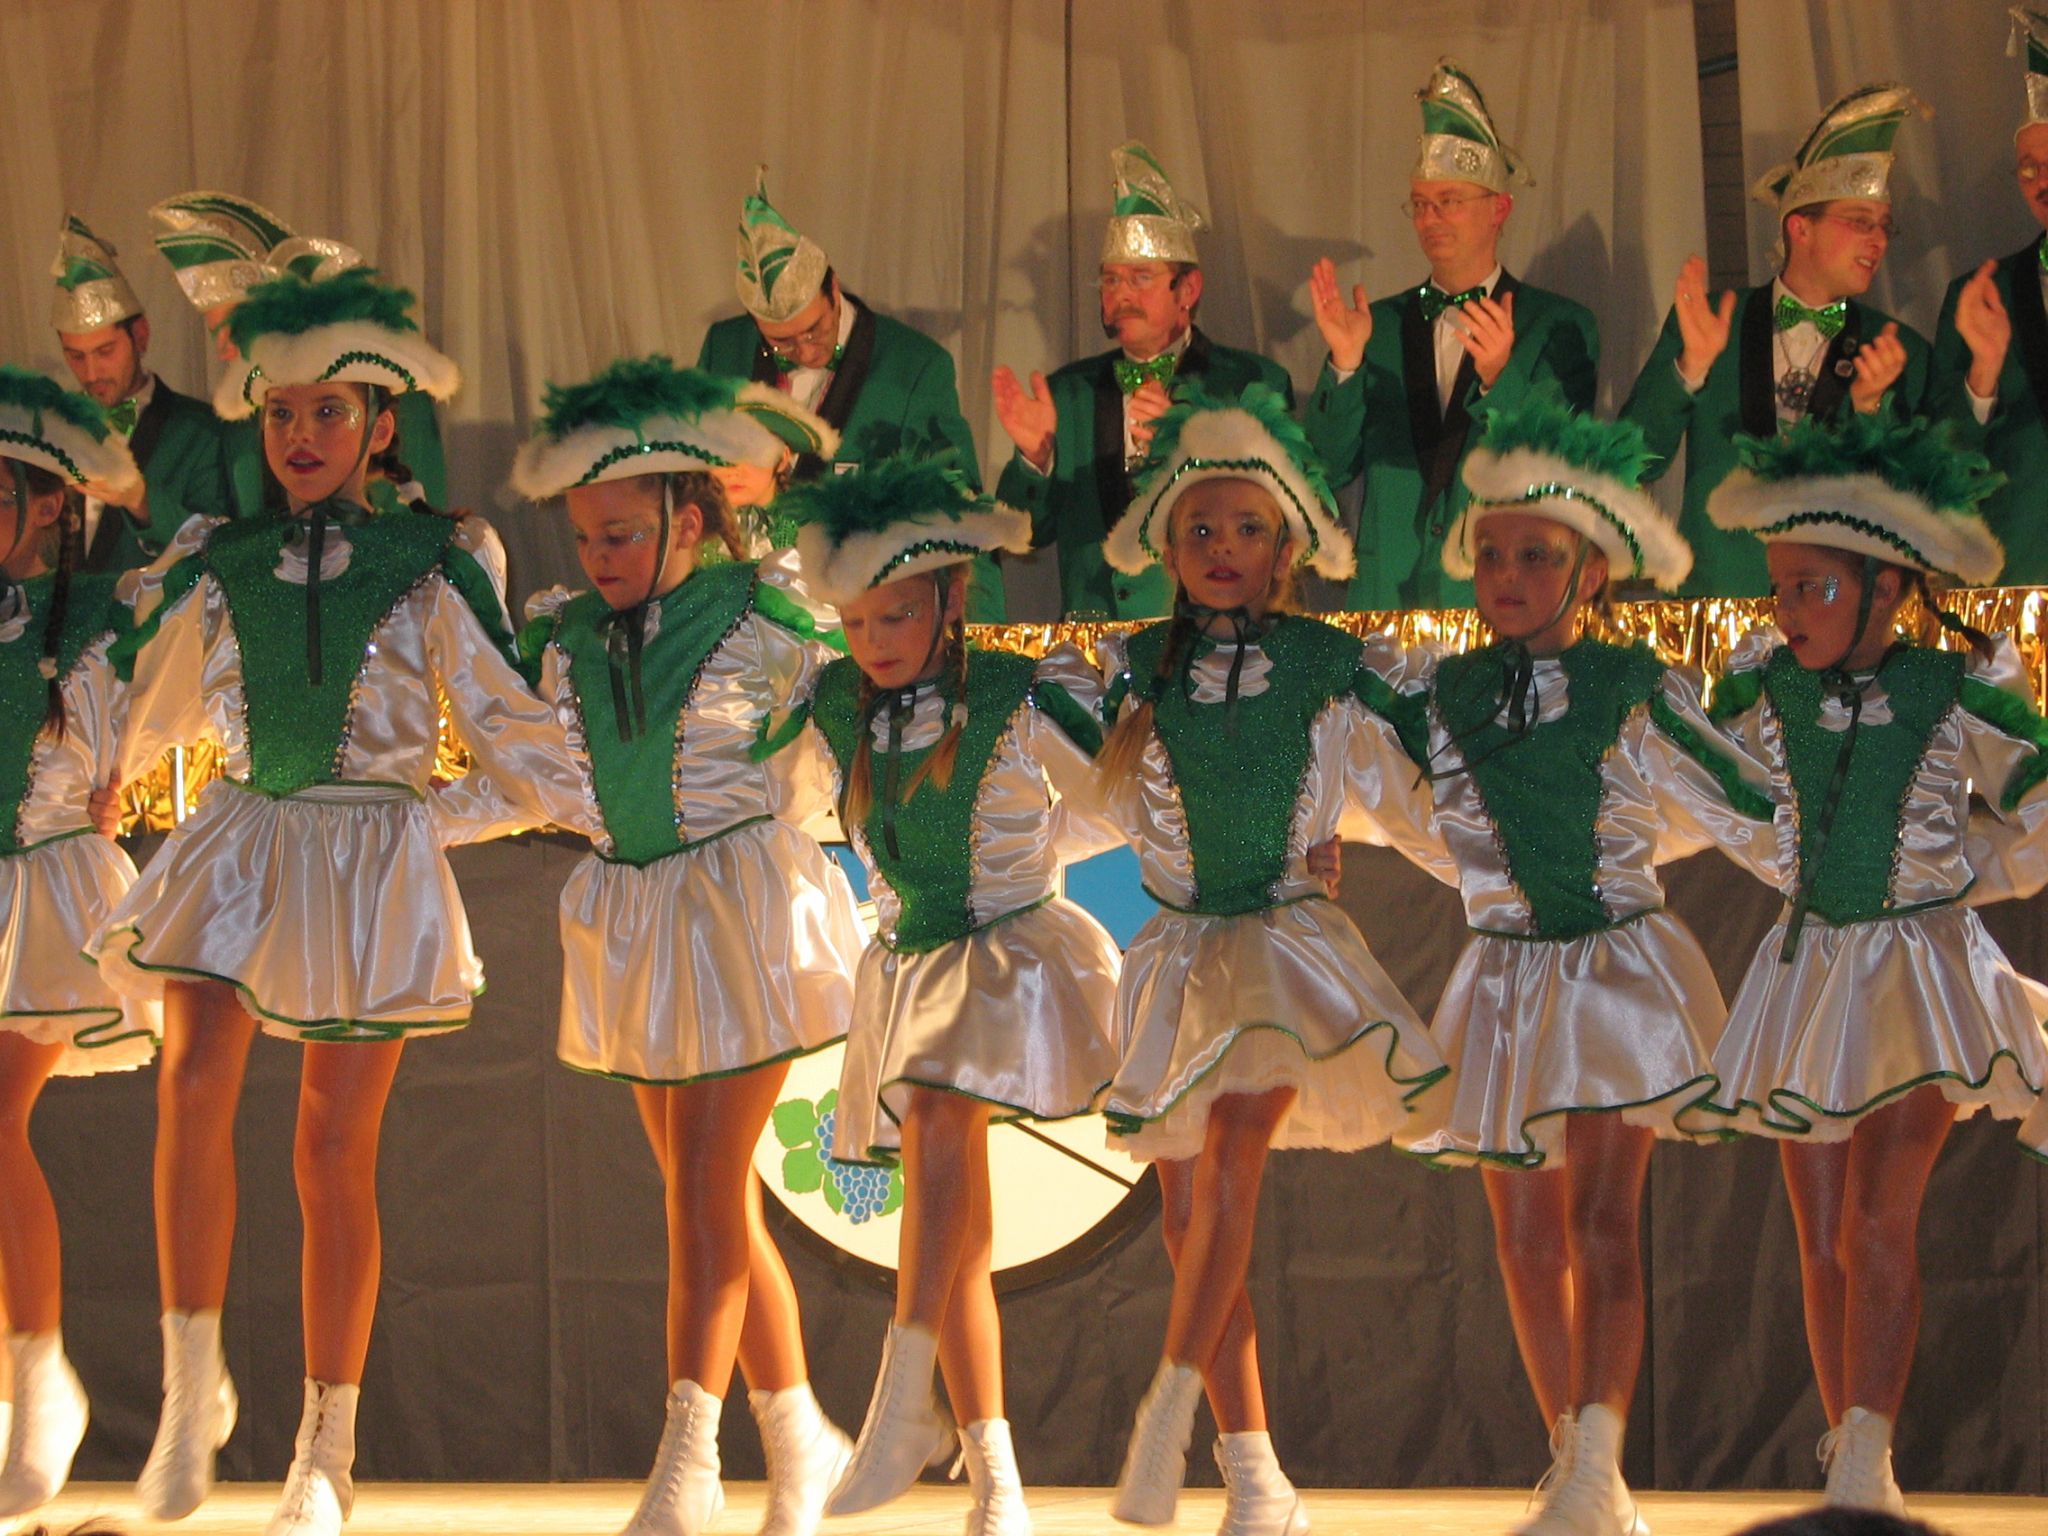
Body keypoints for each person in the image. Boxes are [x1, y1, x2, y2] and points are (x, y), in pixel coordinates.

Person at [90, 267, 588, 1536]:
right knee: (189, 1082)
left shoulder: (434, 559)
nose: (301, 437)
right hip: (240, 838)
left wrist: (429, 819)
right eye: (280, 414)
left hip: (366, 862)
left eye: (328, 412)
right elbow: (151, 701)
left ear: (379, 423)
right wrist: (103, 777)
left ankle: (326, 1450)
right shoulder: (221, 558)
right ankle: (190, 1392)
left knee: (329, 1149)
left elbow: (510, 731)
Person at [435, 358, 865, 1536]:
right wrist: (400, 826)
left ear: (687, 517)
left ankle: (688, 1461)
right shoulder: (571, 639)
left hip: (744, 919)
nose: (598, 558)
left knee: (706, 1199)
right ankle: (800, 1439)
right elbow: (537, 783)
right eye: (584, 538)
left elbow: (858, 719)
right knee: (704, 1198)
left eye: (621, 534)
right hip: (638, 927)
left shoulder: (762, 614)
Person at [1356, 390, 1750, 1535]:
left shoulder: (1634, 687)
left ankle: (1591, 1471)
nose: (1506, 575)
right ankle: (1581, 1472)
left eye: (1534, 555)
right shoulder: (1443, 694)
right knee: (1522, 1240)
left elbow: (1737, 800)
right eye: (1489, 555)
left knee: (1598, 1225)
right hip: (1502, 983)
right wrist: (1313, 834)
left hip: (1614, 978)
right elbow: (1375, 785)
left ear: (1592, 570)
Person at [1091, 387, 1445, 1535]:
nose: (1221, 548)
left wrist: (1506, 873)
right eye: (1198, 528)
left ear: (1286, 546)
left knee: (1237, 1150)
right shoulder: (1129, 669)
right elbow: (1053, 793)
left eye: (1246, 528)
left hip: (1286, 951)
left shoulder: (1330, 663)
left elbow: (1410, 784)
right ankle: (1256, 1477)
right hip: (1177, 954)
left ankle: (1166, 1411)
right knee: (1185, 1220)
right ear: (1166, 549)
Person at [1699, 411, 2048, 1511]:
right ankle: (1856, 1464)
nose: (1787, 610)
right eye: (1778, 590)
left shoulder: (1951, 689)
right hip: (1808, 972)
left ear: (1885, 586)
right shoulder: (1769, 691)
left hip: (1918, 979)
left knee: (1873, 1219)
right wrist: (1798, 864)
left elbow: (2037, 805)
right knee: (1818, 1235)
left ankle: (1862, 1460)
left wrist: (1955, 877)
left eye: (1812, 587)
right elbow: (1725, 802)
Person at [777, 457, 1121, 1536]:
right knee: (955, 1229)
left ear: (952, 597)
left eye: (897, 614)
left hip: (1010, 959)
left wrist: (1038, 848)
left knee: (932, 1124)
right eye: (855, 622)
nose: (875, 641)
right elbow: (762, 800)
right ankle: (995, 1483)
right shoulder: (834, 707)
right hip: (909, 969)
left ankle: (899, 1396)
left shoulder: (1016, 694)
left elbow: (1124, 792)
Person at [1620, 84, 2007, 597]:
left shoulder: (1900, 350)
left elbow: (1935, 504)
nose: (1879, 241)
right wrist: (1689, 368)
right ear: (1800, 229)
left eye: (1885, 227)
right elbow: (1632, 461)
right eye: (1860, 223)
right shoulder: (1712, 322)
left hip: (1840, 612)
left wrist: (1873, 410)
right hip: (1719, 605)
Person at [0, 371, 157, 1526]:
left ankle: (41, 1377)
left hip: (45, 890)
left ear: (50, 503)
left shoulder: (101, 614)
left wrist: (128, 770)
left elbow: (187, 671)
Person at [1303, 58, 1599, 609]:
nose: (1430, 218)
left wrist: (1500, 379)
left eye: (1449, 202)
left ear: (1499, 209)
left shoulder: (1556, 326)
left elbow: (1563, 466)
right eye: (1420, 204)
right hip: (1386, 602)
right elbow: (1324, 467)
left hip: (1499, 602)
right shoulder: (1376, 327)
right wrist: (1344, 363)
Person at [993, 143, 1293, 619]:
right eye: (1111, 281)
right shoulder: (1068, 393)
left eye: (1140, 278)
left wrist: (1191, 446)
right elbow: (1021, 535)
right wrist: (1035, 459)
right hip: (1093, 644)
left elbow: (1283, 519)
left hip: (1211, 634)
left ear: (1188, 290)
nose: (1122, 295)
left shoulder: (1250, 385)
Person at [697, 169, 1005, 620]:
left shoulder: (915, 367)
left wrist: (977, 630)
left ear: (834, 289)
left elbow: (957, 506)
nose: (805, 352)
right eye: (781, 343)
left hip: (866, 621)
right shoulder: (724, 349)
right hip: (740, 615)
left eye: (814, 330)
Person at [149, 191, 448, 517]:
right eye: (214, 333)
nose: (223, 350)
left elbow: (418, 524)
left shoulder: (390, 400)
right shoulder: (242, 424)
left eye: (236, 328)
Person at [1930, 10, 2048, 581]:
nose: (2042, 181)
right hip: (2022, 581)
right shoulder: (1982, 296)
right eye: (2028, 169)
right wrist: (1983, 374)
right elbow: (1939, 467)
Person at [50, 215, 230, 573]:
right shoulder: (52, 428)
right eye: (76, 356)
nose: (91, 373)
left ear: (141, 336)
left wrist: (141, 500)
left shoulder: (202, 432)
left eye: (105, 351)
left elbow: (220, 546)